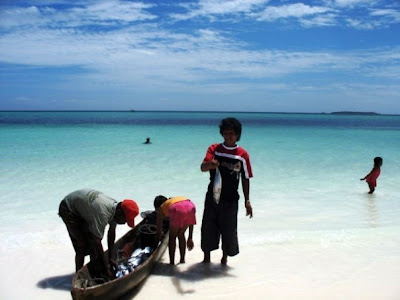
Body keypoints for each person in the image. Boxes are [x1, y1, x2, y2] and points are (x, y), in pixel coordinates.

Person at [200, 117, 253, 265]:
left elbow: (246, 178)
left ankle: (224, 259)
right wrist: (210, 164)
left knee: (228, 230)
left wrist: (247, 201)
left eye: (232, 133)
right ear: (222, 134)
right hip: (213, 197)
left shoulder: (242, 155)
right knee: (208, 227)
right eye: (226, 133)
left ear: (237, 135)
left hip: (231, 199)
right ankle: (206, 260)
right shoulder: (214, 149)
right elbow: (202, 168)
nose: (229, 136)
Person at [58, 188, 139, 278]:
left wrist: (110, 258)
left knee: (92, 246)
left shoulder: (115, 208)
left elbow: (111, 233)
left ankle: (94, 271)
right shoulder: (103, 214)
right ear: (120, 212)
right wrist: (107, 269)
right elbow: (97, 241)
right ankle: (78, 276)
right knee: (81, 247)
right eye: (125, 220)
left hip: (84, 208)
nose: (124, 223)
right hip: (68, 208)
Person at [154, 195, 196, 265]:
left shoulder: (161, 209)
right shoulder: (172, 200)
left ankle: (172, 263)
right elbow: (191, 222)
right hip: (190, 206)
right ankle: (182, 260)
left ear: (157, 207)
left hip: (176, 208)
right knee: (181, 234)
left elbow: (158, 232)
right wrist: (190, 237)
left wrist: (155, 245)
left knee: (172, 237)